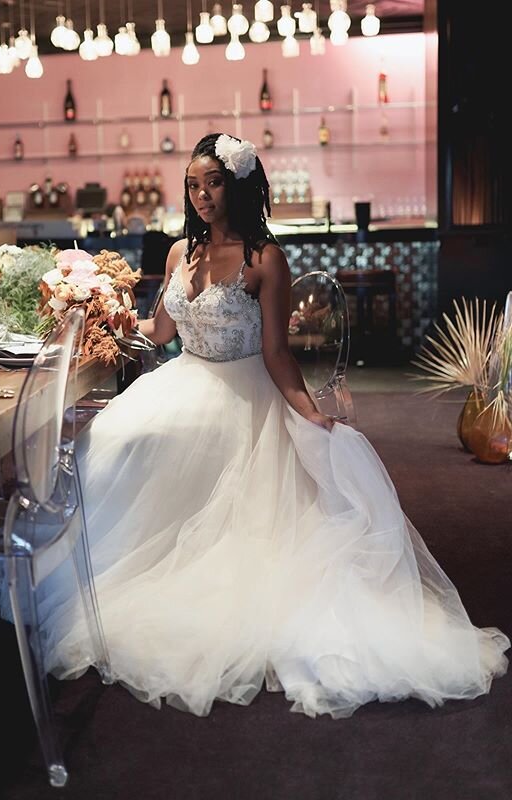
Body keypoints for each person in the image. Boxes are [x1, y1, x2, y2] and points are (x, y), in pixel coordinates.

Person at [42, 133, 509, 719]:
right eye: (193, 184)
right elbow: (160, 334)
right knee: (108, 440)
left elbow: (276, 353)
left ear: (238, 187)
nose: (202, 194)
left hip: (245, 394)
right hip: (181, 382)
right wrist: (99, 313)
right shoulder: (177, 254)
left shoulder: (266, 259)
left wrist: (313, 415)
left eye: (213, 182)